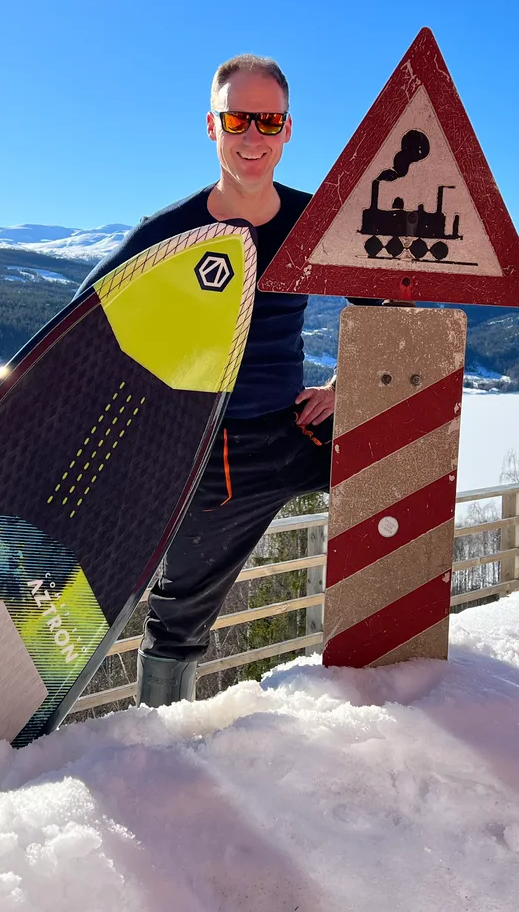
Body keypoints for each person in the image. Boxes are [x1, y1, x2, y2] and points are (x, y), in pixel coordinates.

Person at [81, 53, 375, 706]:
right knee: (179, 617)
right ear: (211, 128)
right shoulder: (171, 233)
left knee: (403, 471)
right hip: (213, 454)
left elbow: (382, 298)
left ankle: (394, 696)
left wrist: (347, 384)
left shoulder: (315, 221)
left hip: (299, 430)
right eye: (236, 119)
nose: (252, 137)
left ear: (288, 131)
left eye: (267, 121)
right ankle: (161, 747)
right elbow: (90, 323)